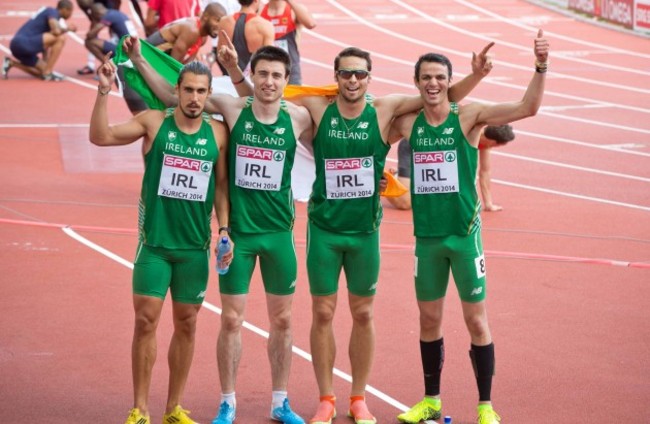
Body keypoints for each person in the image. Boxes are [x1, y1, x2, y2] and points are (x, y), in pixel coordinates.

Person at [267, 43, 493, 424]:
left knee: (363, 313)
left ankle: (358, 398)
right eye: (345, 73)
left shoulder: (383, 110)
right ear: (335, 77)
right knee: (322, 312)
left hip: (365, 232)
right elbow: (267, 98)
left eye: (359, 73)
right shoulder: (319, 110)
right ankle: (326, 398)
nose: (352, 79)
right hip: (324, 230)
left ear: (369, 78)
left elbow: (438, 95)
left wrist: (477, 76)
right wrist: (235, 74)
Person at [123, 34, 312, 424]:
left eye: (277, 75)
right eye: (262, 74)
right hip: (238, 235)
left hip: (279, 236)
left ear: (286, 78)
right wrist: (141, 62)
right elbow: (175, 98)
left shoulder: (299, 117)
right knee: (230, 320)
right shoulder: (231, 107)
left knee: (283, 321)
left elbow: (339, 148)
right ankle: (228, 401)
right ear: (252, 75)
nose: (269, 82)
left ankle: (280, 401)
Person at [388, 30, 549, 424]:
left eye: (440, 77)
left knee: (476, 320)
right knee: (429, 321)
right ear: (416, 82)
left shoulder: (470, 116)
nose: (433, 83)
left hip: (464, 238)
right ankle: (431, 401)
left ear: (449, 81)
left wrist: (541, 64)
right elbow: (366, 131)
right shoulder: (409, 125)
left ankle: (485, 407)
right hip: (427, 240)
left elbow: (528, 107)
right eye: (426, 77)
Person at [89, 54, 232, 424]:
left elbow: (220, 186)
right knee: (146, 322)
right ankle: (140, 408)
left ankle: (173, 408)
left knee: (187, 323)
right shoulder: (154, 123)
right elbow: (100, 136)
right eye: (188, 90)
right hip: (154, 245)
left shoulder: (218, 134)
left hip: (194, 250)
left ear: (209, 94)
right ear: (177, 91)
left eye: (202, 91)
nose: (195, 98)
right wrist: (104, 91)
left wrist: (225, 230)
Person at [385, 124, 515, 211]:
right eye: (497, 146)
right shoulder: (467, 131)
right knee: (405, 204)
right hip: (413, 146)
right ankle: (385, 179)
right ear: (492, 140)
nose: (493, 148)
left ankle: (403, 178)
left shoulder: (485, 143)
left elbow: (485, 171)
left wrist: (488, 204)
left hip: (434, 158)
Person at [2, 0, 77, 81]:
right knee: (61, 38)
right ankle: (48, 73)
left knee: (43, 71)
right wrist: (67, 29)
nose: (71, 14)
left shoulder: (49, 15)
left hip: (17, 46)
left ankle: (11, 63)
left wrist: (45, 62)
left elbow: (46, 44)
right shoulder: (52, 12)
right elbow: (56, 31)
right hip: (23, 43)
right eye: (71, 11)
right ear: (65, 9)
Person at [145, 2, 226, 63]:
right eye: (217, 20)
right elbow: (173, 64)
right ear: (205, 16)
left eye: (222, 22)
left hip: (153, 61)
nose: (220, 25)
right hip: (144, 58)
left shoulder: (203, 37)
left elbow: (185, 65)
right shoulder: (191, 31)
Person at [260, 0, 316, 85]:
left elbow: (311, 24)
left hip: (291, 68)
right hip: (268, 69)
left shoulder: (293, 10)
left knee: (293, 98)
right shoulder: (260, 11)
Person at [215, 0, 274, 76]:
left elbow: (220, 55)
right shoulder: (266, 26)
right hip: (252, 81)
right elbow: (269, 60)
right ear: (256, 1)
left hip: (230, 78)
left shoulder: (224, 21)